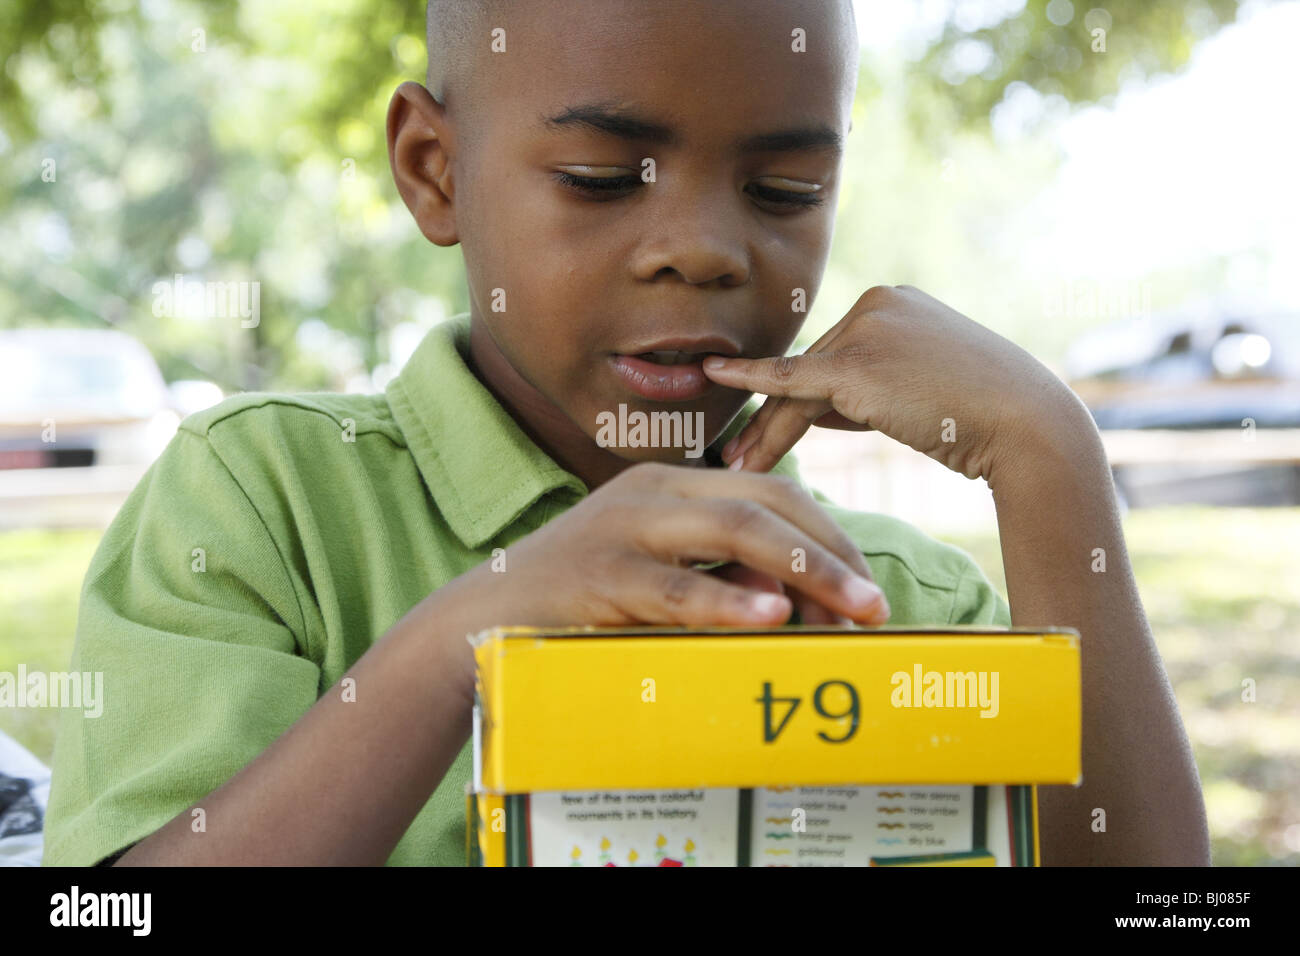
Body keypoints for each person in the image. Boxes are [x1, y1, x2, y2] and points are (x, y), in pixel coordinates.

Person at [41, 0, 1209, 866]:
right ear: (432, 169)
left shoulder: (894, 598)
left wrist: (1050, 459)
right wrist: (463, 639)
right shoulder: (261, 503)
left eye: (785, 191)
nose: (701, 247)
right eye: (603, 178)